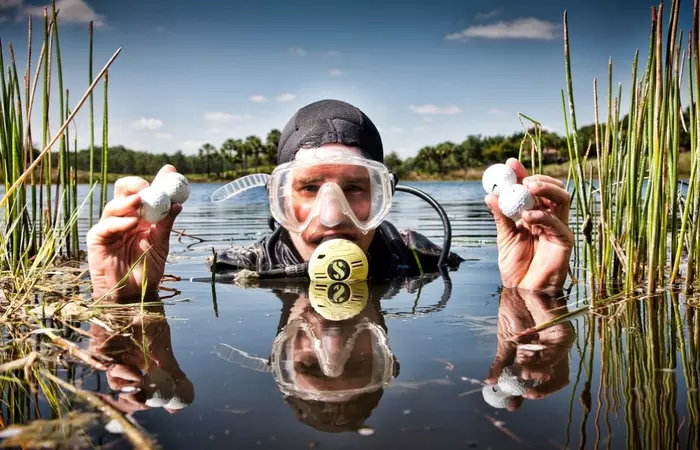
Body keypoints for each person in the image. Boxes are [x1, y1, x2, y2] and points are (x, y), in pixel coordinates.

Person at [86, 99, 573, 299]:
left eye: (356, 188)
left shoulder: (423, 261)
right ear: (279, 197)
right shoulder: (232, 267)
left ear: (384, 194)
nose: (333, 215)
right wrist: (124, 300)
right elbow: (126, 303)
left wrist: (531, 296)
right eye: (310, 187)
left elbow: (530, 301)